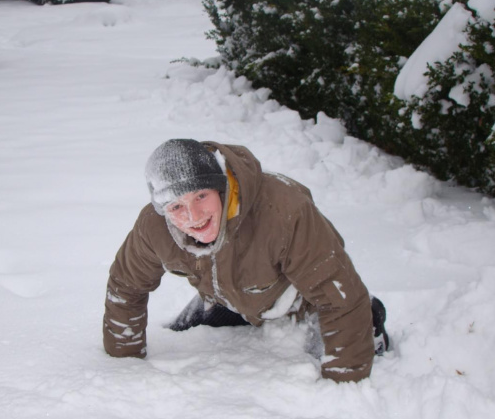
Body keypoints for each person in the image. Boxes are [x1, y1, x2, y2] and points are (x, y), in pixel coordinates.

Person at [103, 139, 389, 383]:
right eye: (177, 206)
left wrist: (344, 385)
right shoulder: (154, 227)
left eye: (201, 196)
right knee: (181, 335)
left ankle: (370, 314)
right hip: (228, 297)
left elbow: (336, 294)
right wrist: (124, 364)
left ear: (221, 188)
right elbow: (125, 285)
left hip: (300, 299)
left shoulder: (284, 212)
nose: (193, 216)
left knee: (333, 343)